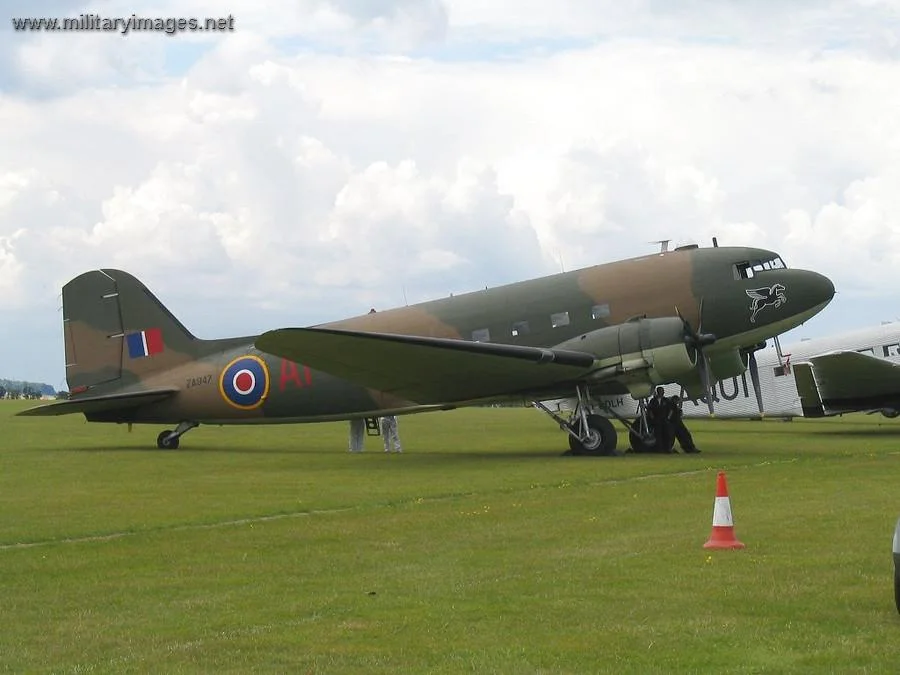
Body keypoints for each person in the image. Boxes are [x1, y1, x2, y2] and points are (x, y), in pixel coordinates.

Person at [646, 386, 674, 453]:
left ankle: (668, 449)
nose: (662, 392)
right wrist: (652, 418)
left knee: (667, 435)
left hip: (664, 420)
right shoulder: (653, 401)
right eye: (661, 391)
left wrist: (668, 418)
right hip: (657, 420)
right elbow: (650, 410)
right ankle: (659, 449)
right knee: (658, 435)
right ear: (658, 392)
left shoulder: (666, 400)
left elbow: (671, 410)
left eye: (663, 391)